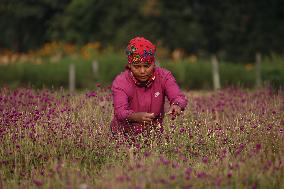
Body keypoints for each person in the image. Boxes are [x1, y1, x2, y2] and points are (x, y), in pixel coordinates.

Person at [110, 36, 188, 136]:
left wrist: (177, 105)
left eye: (147, 66)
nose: (142, 71)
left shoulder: (164, 77)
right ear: (129, 65)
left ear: (153, 63)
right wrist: (134, 117)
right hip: (123, 136)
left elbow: (179, 97)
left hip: (153, 135)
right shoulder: (121, 82)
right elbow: (120, 112)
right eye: (137, 66)